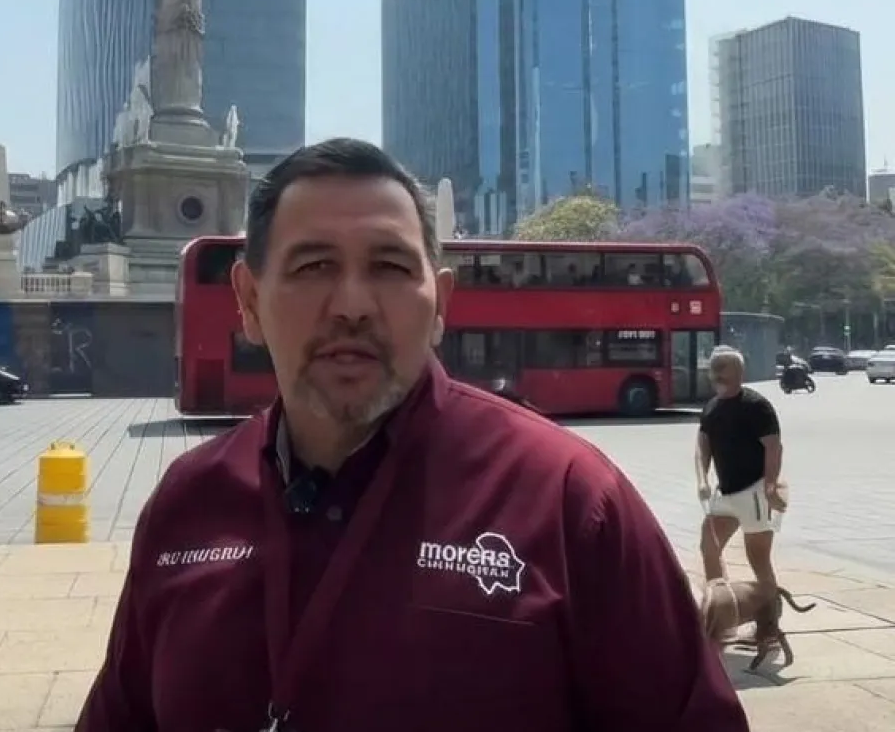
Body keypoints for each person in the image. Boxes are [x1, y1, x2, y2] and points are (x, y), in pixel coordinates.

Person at [78, 139, 747, 732]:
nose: (352, 305)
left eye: (391, 267)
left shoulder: (570, 500)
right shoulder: (186, 504)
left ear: (442, 304)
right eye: (312, 266)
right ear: (249, 301)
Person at [696, 345, 787, 592]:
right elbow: (702, 447)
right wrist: (702, 479)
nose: (716, 375)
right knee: (709, 546)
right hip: (725, 493)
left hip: (755, 490)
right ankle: (721, 601)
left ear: (739, 372)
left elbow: (774, 447)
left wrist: (770, 485)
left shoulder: (757, 406)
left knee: (757, 556)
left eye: (722, 369)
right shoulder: (711, 408)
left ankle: (770, 610)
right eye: (714, 369)